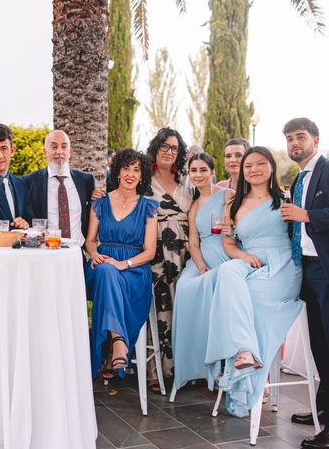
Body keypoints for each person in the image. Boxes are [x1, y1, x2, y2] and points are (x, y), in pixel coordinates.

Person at [279, 118, 329, 449]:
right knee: (322, 349)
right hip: (310, 272)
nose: (294, 143)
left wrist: (309, 216)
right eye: (289, 139)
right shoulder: (299, 179)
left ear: (315, 139)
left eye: (300, 137)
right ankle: (328, 408)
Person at [205, 146, 303, 417]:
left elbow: (299, 237)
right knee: (226, 273)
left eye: (260, 164)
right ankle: (245, 351)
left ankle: (246, 371)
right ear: (242, 171)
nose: (254, 169)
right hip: (250, 261)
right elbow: (228, 243)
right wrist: (243, 255)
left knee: (249, 300)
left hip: (281, 267)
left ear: (271, 166)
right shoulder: (234, 203)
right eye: (249, 166)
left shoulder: (285, 199)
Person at [85, 148, 158, 379]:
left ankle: (113, 348)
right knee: (106, 271)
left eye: (137, 170)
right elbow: (89, 240)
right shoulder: (100, 203)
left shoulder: (148, 207)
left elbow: (150, 252)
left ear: (142, 176)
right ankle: (118, 342)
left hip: (134, 269)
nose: (130, 174)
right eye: (126, 168)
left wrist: (123, 264)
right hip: (102, 263)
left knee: (110, 272)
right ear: (117, 171)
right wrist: (94, 254)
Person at [171, 153, 230, 393]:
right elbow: (193, 243)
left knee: (218, 292)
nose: (198, 175)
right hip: (201, 257)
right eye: (193, 170)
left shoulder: (227, 196)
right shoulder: (194, 205)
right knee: (186, 289)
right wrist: (202, 267)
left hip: (226, 251)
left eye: (203, 170)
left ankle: (224, 366)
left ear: (212, 171)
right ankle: (198, 365)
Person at [145, 127, 191, 392]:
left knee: (184, 308)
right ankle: (156, 370)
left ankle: (185, 367)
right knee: (160, 307)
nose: (169, 152)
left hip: (185, 253)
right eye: (164, 147)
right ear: (156, 148)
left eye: (174, 148)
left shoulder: (187, 181)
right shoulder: (143, 179)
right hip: (157, 251)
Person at [23, 130, 95, 246]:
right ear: (45, 151)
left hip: (76, 252)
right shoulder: (30, 181)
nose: (59, 152)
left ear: (70, 152)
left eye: (64, 147)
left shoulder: (86, 180)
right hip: (44, 252)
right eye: (54, 147)